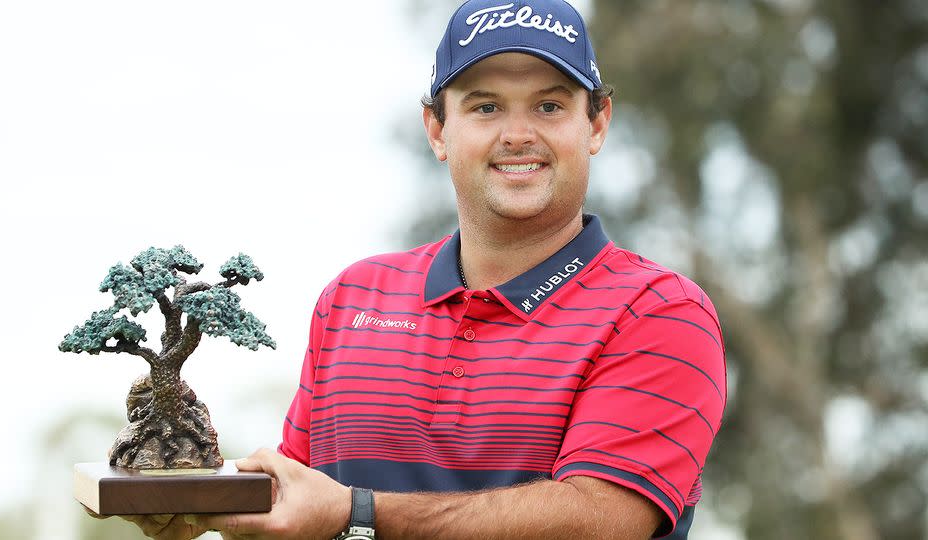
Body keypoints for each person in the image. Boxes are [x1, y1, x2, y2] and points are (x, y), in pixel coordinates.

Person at [115, 0, 726, 538]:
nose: (518, 134)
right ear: (437, 128)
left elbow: (601, 519)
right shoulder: (352, 298)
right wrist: (206, 511)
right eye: (485, 107)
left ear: (596, 124)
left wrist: (357, 513)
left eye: (548, 105)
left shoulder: (659, 312)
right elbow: (300, 508)